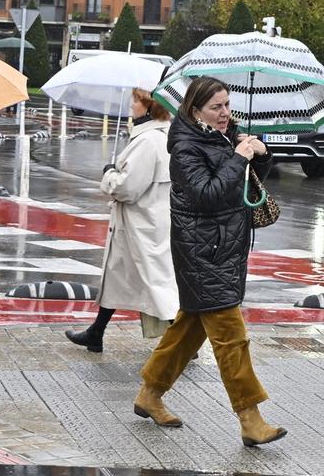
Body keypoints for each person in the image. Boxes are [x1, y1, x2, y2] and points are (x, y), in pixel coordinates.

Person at [133, 76, 286, 446]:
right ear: (195, 109)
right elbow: (207, 195)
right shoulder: (186, 147)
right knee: (232, 337)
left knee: (189, 329)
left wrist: (259, 156)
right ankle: (250, 418)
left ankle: (150, 394)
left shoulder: (222, 137)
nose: (225, 113)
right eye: (216, 107)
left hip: (223, 249)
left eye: (227, 105)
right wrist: (237, 157)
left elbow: (242, 184)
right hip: (203, 253)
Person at [65, 88, 178, 352]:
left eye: (136, 101)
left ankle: (183, 343)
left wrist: (110, 174)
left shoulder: (149, 141)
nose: (131, 105)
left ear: (150, 107)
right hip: (142, 225)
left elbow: (128, 188)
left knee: (157, 286)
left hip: (140, 226)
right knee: (118, 278)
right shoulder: (159, 136)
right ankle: (96, 332)